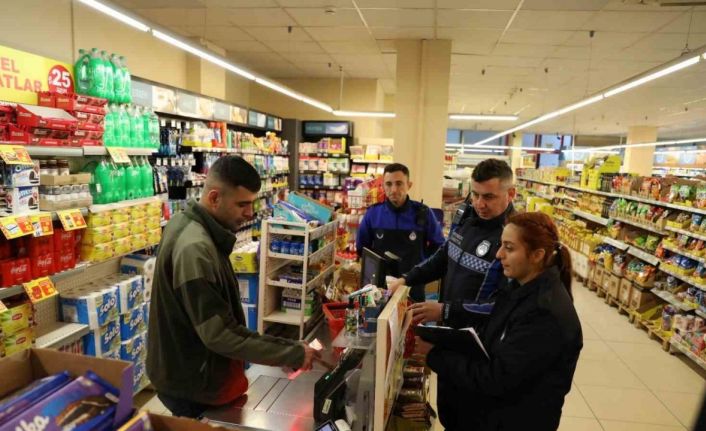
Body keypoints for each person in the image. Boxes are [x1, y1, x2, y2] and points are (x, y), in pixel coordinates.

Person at [147, 156, 320, 418]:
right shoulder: (196, 249)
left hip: (190, 373)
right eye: (242, 204)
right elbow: (220, 334)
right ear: (214, 198)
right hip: (193, 385)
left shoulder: (189, 224)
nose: (250, 213)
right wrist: (290, 353)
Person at [416, 211, 583, 430]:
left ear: (537, 255)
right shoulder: (518, 287)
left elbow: (496, 379)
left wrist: (433, 355)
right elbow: (486, 338)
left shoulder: (544, 314)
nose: (498, 254)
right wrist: (428, 334)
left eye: (509, 248)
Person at [356, 163, 445, 302]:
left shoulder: (424, 213)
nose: (394, 189)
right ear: (383, 186)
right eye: (389, 184)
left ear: (409, 185)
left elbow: (440, 247)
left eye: (399, 183)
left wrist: (422, 265)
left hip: (414, 284)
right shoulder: (373, 214)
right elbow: (362, 248)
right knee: (379, 322)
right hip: (380, 288)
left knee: (412, 321)